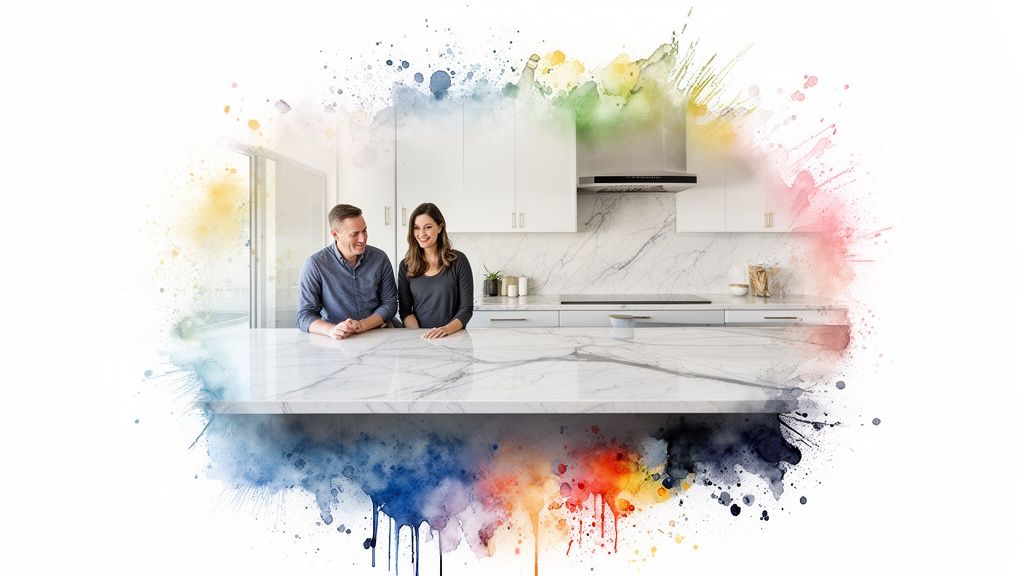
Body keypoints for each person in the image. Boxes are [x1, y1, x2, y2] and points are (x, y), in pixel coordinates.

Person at [297, 204, 398, 339]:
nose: (363, 239)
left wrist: (361, 326)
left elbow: (390, 304)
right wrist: (332, 330)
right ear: (335, 234)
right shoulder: (315, 265)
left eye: (364, 231)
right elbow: (305, 315)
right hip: (339, 339)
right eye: (354, 234)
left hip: (378, 333)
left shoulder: (380, 258)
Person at [398, 203, 473, 338]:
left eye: (428, 227)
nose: (421, 234)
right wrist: (421, 335)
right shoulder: (405, 266)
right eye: (416, 228)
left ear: (440, 227)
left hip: (453, 336)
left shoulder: (458, 261)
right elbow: (405, 311)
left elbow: (466, 309)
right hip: (420, 338)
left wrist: (445, 330)